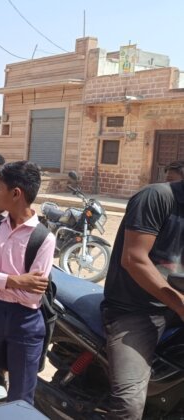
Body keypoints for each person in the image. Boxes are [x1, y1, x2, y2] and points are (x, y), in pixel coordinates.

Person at [0, 161, 56, 404]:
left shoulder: (43, 239)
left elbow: (32, 295)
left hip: (25, 322)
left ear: (16, 194)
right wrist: (15, 280)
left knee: (21, 398)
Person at [101, 178, 184, 419]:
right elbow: (134, 259)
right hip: (136, 311)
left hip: (175, 308)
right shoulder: (157, 197)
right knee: (128, 406)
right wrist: (180, 304)